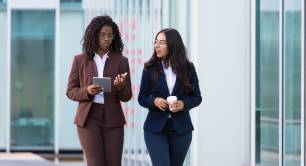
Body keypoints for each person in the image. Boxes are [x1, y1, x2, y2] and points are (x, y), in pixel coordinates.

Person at [66, 15, 132, 166]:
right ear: (93, 35)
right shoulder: (80, 60)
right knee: (95, 163)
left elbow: (127, 96)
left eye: (110, 35)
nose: (107, 38)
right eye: (102, 35)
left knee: (114, 163)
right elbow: (70, 91)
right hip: (89, 118)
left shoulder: (122, 61)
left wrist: (121, 87)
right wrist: (87, 91)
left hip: (113, 117)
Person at [138, 28, 202, 166]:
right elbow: (142, 98)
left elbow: (197, 97)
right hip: (155, 129)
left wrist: (183, 104)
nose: (157, 46)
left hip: (181, 130)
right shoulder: (149, 69)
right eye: (156, 42)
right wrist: (154, 101)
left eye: (162, 42)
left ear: (173, 44)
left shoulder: (188, 68)